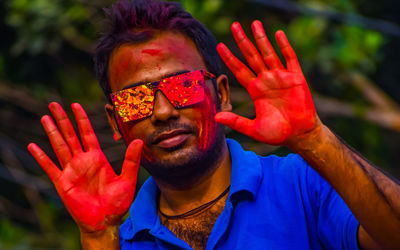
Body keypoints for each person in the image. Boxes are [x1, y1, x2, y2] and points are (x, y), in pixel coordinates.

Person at [27, 0, 400, 249]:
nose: (162, 111)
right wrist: (97, 236)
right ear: (116, 121)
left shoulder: (303, 185)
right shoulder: (120, 241)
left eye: (183, 86)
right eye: (136, 98)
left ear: (221, 93)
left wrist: (314, 139)